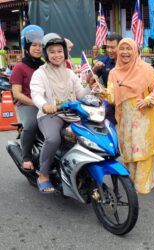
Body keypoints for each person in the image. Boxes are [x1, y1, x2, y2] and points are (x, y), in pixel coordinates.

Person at [30, 33, 94, 194]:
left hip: (73, 114)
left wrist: (91, 86)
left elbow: (81, 95)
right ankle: (43, 175)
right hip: (51, 115)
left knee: (91, 135)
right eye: (52, 51)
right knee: (53, 139)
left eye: (59, 51)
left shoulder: (70, 73)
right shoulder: (40, 73)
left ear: (64, 52)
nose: (56, 55)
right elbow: (36, 94)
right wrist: (45, 105)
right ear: (46, 54)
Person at [108, 38, 154, 194]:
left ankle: (143, 184)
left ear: (135, 51)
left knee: (142, 149)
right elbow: (111, 97)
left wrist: (148, 100)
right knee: (129, 149)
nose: (125, 52)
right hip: (125, 118)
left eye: (128, 48)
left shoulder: (147, 69)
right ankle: (130, 183)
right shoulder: (114, 73)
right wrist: (101, 92)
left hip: (144, 117)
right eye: (121, 48)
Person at [9, 25, 45, 172]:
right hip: (27, 104)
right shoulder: (20, 67)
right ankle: (26, 157)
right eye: (34, 45)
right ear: (27, 46)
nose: (37, 48)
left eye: (40, 45)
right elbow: (16, 93)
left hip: (45, 103)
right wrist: (36, 103)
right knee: (31, 125)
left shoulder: (45, 65)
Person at [87, 32, 123, 125]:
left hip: (126, 103)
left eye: (113, 47)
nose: (109, 50)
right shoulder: (103, 62)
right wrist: (95, 69)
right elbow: (88, 80)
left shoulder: (127, 62)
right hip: (110, 104)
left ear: (120, 46)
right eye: (108, 47)